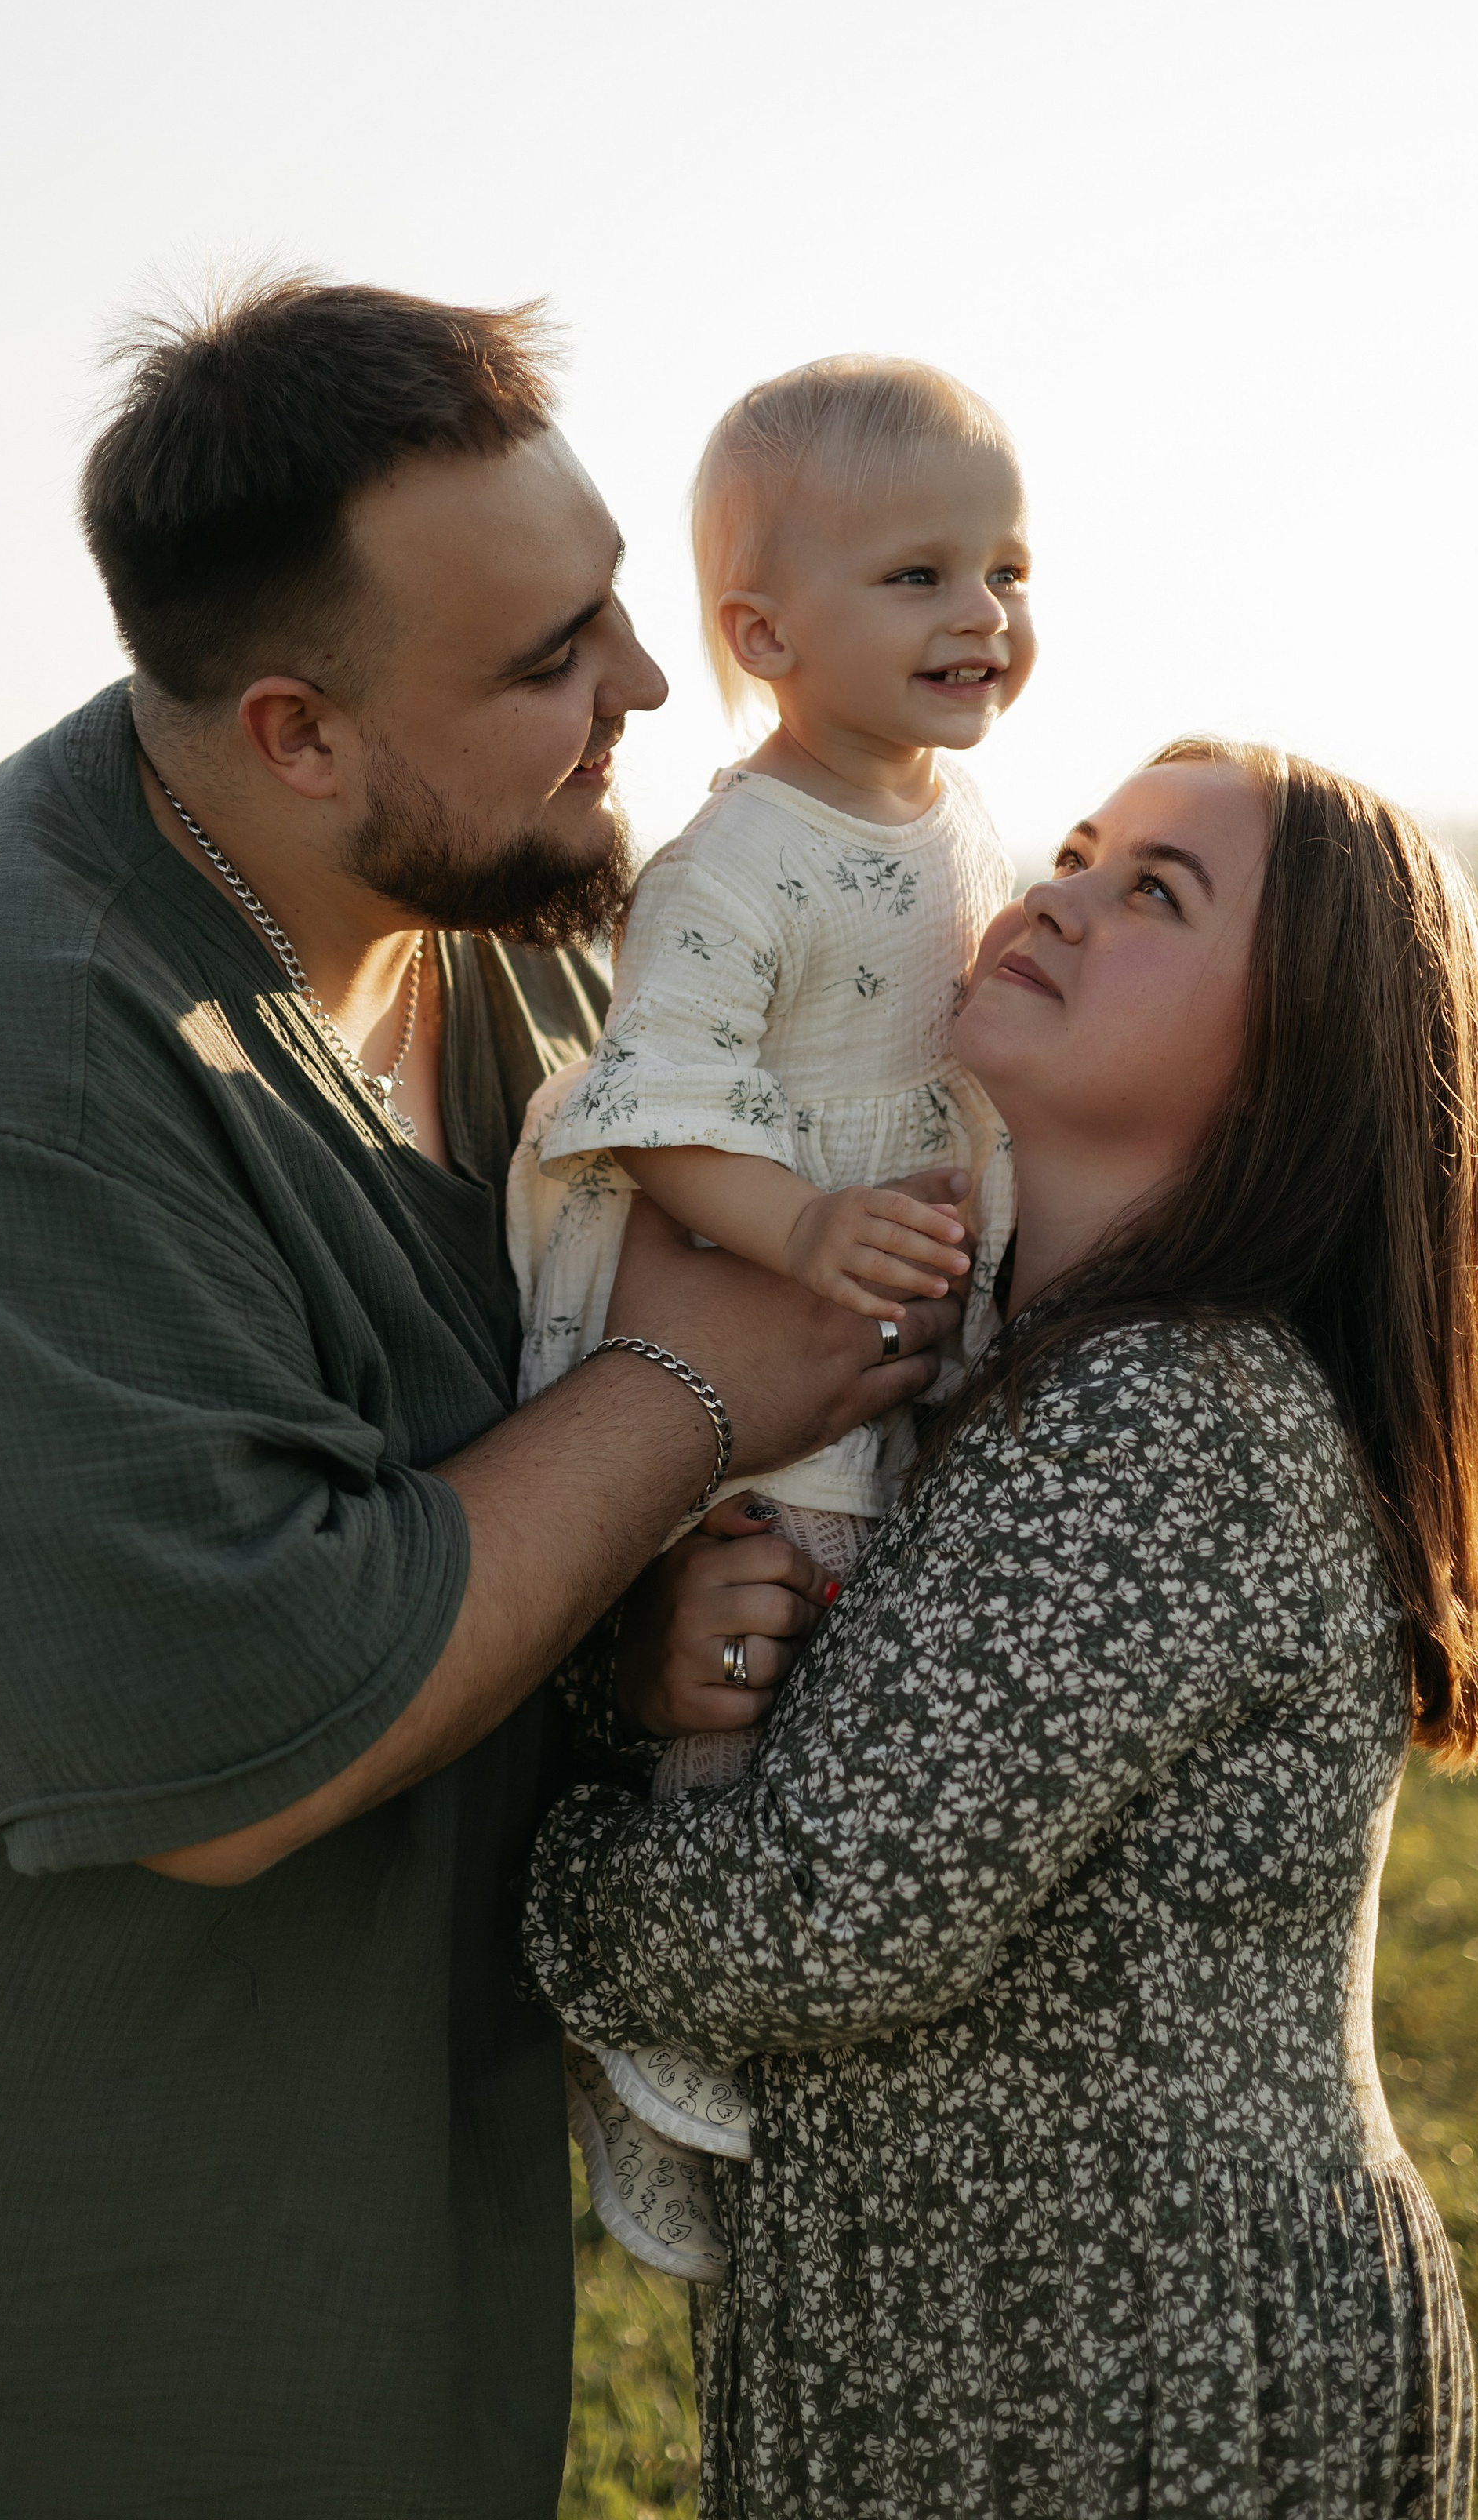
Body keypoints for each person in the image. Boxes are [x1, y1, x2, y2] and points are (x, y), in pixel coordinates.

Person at [0, 274, 957, 2520]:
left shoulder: (505, 918)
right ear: (298, 735)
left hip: (346, 2258)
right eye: (547, 661)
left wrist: (621, 1622)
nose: (646, 688)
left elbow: (469, 1468)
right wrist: (689, 1397)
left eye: (612, 602)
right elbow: (239, 1742)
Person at [524, 739, 1478, 2519]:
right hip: (994, 2379)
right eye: (1072, 851)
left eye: (1154, 892)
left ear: (1294, 1057)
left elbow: (816, 1922)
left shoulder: (1161, 1416)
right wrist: (653, 1669)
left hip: (1135, 2389)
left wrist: (507, 1845)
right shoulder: (993, 1379)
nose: (1058, 898)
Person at [509, 355, 1032, 2273]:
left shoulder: (955, 814)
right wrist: (800, 1223)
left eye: (1005, 569)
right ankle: (672, 2030)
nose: (981, 614)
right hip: (757, 1292)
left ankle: (807, 2005)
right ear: (761, 635)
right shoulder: (737, 859)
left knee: (861, 1638)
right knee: (766, 1600)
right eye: (916, 576)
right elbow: (655, 1102)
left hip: (897, 1301)